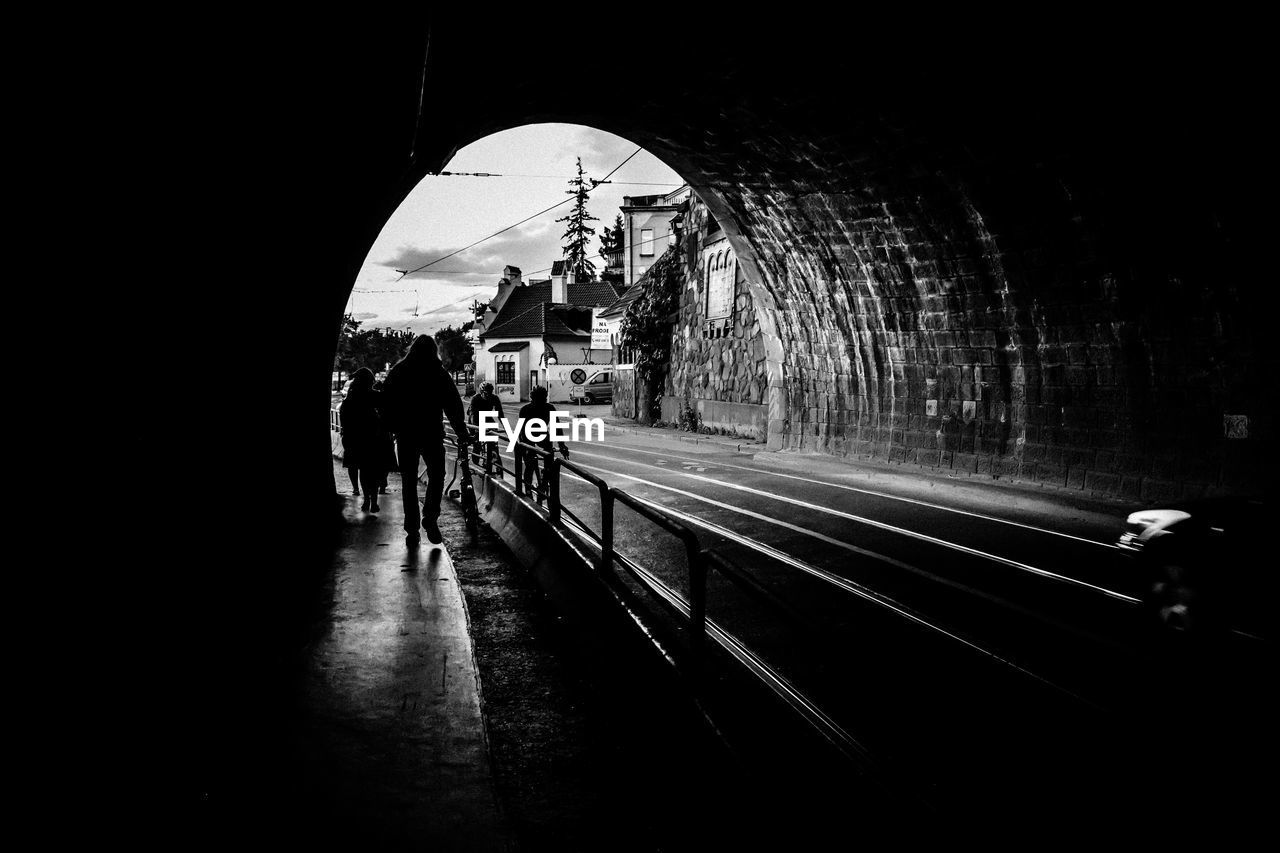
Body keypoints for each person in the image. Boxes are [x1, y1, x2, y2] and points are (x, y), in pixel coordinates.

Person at [382, 335, 468, 545]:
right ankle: (431, 516)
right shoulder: (438, 373)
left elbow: (386, 402)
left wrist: (391, 427)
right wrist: (462, 432)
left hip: (406, 434)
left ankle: (412, 530)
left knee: (408, 481)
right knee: (438, 475)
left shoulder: (399, 371)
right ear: (433, 351)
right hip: (432, 433)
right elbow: (453, 405)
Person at [339, 368, 384, 512]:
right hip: (374, 439)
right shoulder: (375, 396)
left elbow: (344, 421)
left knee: (364, 471)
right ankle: (374, 501)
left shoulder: (350, 399)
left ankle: (366, 499)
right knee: (374, 471)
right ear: (371, 381)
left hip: (356, 439)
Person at [516, 385, 569, 497]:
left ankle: (545, 478)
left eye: (544, 399)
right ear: (533, 399)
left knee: (549, 453)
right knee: (529, 463)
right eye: (540, 399)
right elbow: (522, 431)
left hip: (541, 434)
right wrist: (528, 449)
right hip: (527, 435)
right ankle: (528, 487)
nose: (542, 402)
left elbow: (557, 427)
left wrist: (562, 444)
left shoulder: (549, 408)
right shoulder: (526, 410)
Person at [468, 381, 504, 472]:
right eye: (486, 393)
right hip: (475, 418)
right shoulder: (475, 399)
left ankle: (495, 454)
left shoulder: (494, 398)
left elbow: (500, 413)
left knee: (493, 440)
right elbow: (472, 415)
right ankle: (476, 449)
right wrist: (477, 429)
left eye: (490, 393)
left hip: (487, 418)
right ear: (481, 392)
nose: (488, 395)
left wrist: (505, 426)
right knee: (477, 439)